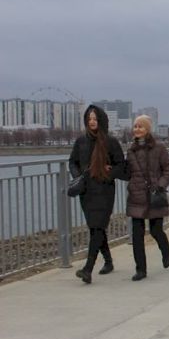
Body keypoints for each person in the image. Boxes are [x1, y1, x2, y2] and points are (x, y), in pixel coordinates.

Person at [69, 105, 126, 284]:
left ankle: (88, 269)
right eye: (89, 119)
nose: (92, 122)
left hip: (104, 190)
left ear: (101, 120)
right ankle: (108, 261)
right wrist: (78, 177)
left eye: (95, 118)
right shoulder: (81, 141)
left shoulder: (110, 142)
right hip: (87, 191)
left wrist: (108, 172)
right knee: (95, 227)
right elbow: (72, 162)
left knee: (98, 226)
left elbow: (121, 165)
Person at [124, 115, 169, 281]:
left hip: (154, 195)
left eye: (141, 126)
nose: (137, 129)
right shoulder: (131, 150)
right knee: (137, 235)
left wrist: (161, 185)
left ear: (147, 129)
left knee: (155, 230)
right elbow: (127, 172)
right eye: (135, 126)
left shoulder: (159, 148)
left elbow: (168, 168)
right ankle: (141, 269)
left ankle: (165, 250)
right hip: (137, 195)